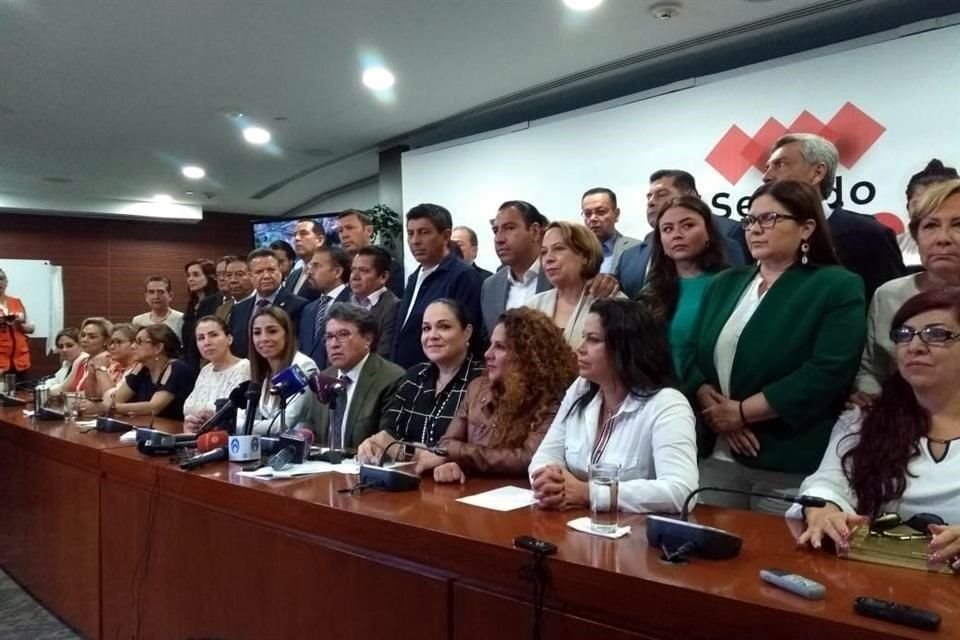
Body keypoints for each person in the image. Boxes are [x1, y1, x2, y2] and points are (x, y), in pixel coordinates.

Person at [684, 181, 866, 514]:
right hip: (717, 453)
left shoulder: (836, 285)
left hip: (785, 457)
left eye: (768, 219)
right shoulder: (725, 283)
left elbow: (827, 371)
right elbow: (694, 351)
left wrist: (739, 413)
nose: (755, 229)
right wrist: (704, 395)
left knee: (772, 560)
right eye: (750, 221)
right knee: (706, 554)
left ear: (806, 228)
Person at [794, 289, 960, 572]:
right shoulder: (865, 418)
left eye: (935, 334)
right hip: (877, 575)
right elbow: (828, 482)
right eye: (904, 334)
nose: (914, 346)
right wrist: (825, 509)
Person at [529, 299, 698, 513]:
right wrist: (550, 481)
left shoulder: (668, 404)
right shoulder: (581, 388)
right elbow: (544, 456)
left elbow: (681, 491)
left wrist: (589, 493)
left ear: (625, 347)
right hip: (575, 524)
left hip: (635, 536)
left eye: (593, 339)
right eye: (583, 338)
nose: (579, 349)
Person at [416, 307, 577, 483]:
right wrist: (451, 464)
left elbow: (529, 458)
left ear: (527, 356)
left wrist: (459, 454)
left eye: (500, 347)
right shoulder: (477, 388)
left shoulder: (552, 398)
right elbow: (447, 443)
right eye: (490, 344)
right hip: (470, 492)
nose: (487, 354)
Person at [762, 133, 905, 301]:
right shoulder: (759, 235)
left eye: (780, 164)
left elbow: (891, 308)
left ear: (817, 173)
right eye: (767, 167)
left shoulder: (869, 235)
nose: (766, 177)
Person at [854, 179, 960, 402]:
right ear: (916, 236)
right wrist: (870, 400)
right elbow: (871, 371)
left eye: (958, 225)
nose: (943, 239)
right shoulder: (888, 295)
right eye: (930, 226)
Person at [357, 299, 484, 464]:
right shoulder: (414, 376)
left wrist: (408, 452)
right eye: (426, 328)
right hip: (407, 479)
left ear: (467, 332)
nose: (432, 336)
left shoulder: (483, 380)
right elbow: (390, 434)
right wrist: (373, 444)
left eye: (444, 327)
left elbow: (477, 450)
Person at [617, 170, 747, 299]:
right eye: (649, 197)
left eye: (661, 194)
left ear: (690, 196)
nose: (651, 202)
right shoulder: (630, 255)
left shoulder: (729, 233)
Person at [639, 195, 729, 379]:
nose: (677, 235)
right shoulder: (650, 291)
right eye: (667, 229)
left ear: (709, 233)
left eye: (687, 225)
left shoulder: (729, 284)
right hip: (661, 394)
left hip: (717, 394)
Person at [392, 203, 485, 369]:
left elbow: (467, 339)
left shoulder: (464, 276)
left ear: (446, 236)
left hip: (439, 380)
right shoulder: (414, 277)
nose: (415, 241)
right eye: (410, 233)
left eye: (424, 232)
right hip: (407, 378)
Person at [308, 304, 405, 448]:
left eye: (343, 334)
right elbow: (313, 430)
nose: (333, 344)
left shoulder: (391, 379)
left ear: (367, 339)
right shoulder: (323, 378)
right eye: (329, 337)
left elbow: (387, 441)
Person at [525, 221, 625, 349]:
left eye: (559, 248)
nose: (548, 258)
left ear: (585, 256)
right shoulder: (532, 306)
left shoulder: (614, 303)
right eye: (544, 252)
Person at [81, 324, 196, 420]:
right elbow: (114, 399)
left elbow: (154, 407)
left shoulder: (177, 368)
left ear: (158, 348)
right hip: (147, 429)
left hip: (174, 433)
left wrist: (106, 408)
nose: (133, 346)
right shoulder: (141, 368)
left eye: (139, 342)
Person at [236, 307, 318, 435]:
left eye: (272, 331)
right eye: (257, 333)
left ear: (287, 333)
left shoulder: (303, 366)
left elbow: (281, 424)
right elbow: (245, 414)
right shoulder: (263, 370)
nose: (264, 338)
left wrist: (234, 425)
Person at [481, 200, 552, 335]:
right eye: (495, 231)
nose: (499, 239)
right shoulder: (490, 287)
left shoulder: (558, 277)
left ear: (535, 231)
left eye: (509, 228)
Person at [228, 249, 308, 358]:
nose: (266, 276)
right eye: (259, 272)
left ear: (280, 270)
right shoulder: (238, 309)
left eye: (271, 270)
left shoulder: (299, 306)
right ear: (250, 276)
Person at [183, 316, 251, 431]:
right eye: (201, 338)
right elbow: (188, 412)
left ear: (229, 339)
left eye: (213, 335)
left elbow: (240, 416)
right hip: (195, 438)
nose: (207, 342)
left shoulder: (244, 367)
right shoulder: (206, 370)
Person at [297, 246, 354, 369]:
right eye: (310, 266)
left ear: (337, 272)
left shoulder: (353, 304)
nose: (310, 271)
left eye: (316, 266)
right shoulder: (308, 309)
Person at [901, 159, 959, 267]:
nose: (928, 211)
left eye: (939, 203)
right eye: (919, 204)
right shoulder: (895, 245)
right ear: (908, 207)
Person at [337, 208, 404, 297]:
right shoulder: (339, 269)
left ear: (369, 230)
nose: (344, 235)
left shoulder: (388, 265)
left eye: (350, 228)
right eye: (340, 231)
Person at [349, 246, 399, 357]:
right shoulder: (345, 302)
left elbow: (383, 354)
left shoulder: (393, 307)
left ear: (383, 277)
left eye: (363, 271)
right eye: (353, 270)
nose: (355, 276)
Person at [580, 187, 640, 274]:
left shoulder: (637, 249)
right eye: (587, 214)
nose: (593, 218)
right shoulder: (573, 253)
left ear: (616, 214)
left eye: (600, 212)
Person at [84, 323, 137, 402]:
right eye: (111, 343)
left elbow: (110, 400)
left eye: (118, 342)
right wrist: (91, 373)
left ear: (134, 344)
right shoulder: (113, 367)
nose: (112, 347)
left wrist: (100, 368)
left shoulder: (138, 370)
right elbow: (92, 397)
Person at [181, 259, 219, 370]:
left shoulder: (217, 302)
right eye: (188, 275)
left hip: (208, 362)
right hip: (191, 362)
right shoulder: (192, 305)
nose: (190, 279)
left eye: (196, 275)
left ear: (210, 276)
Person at [0, 268, 34, 378]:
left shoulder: (16, 302)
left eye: (1, 279)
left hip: (20, 361)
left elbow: (31, 328)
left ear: (6, 282)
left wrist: (18, 323)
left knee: (20, 393)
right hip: (1, 363)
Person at [284, 219, 325, 300]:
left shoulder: (326, 273)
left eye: (303, 233)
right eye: (295, 234)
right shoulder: (293, 275)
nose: (297, 238)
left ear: (320, 240)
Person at [218, 255, 254, 322]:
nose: (233, 280)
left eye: (239, 274)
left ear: (252, 275)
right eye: (228, 275)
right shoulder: (222, 309)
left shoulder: (261, 305)